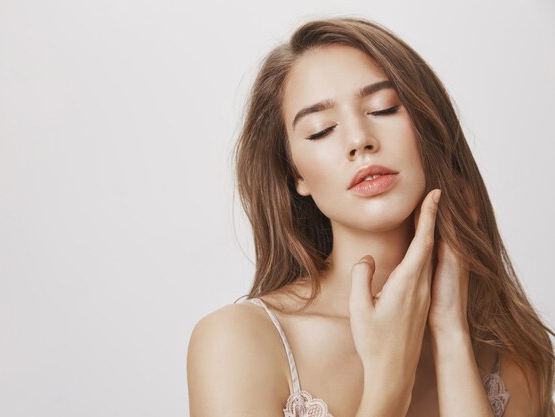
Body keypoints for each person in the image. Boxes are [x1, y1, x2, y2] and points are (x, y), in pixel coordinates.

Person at [186, 16, 555, 417]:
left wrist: (450, 334)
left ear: (429, 125)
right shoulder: (238, 343)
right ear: (295, 175)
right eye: (321, 130)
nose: (360, 140)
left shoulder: (514, 352)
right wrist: (388, 378)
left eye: (383, 108)